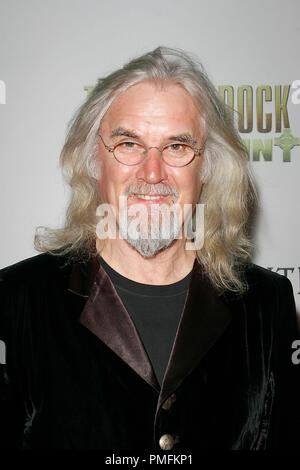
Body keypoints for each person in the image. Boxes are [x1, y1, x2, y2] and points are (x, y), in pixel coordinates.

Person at [0, 46, 299, 451]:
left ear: (207, 165)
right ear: (92, 160)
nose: (152, 173)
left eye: (177, 147)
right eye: (129, 144)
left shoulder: (267, 304)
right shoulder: (15, 301)